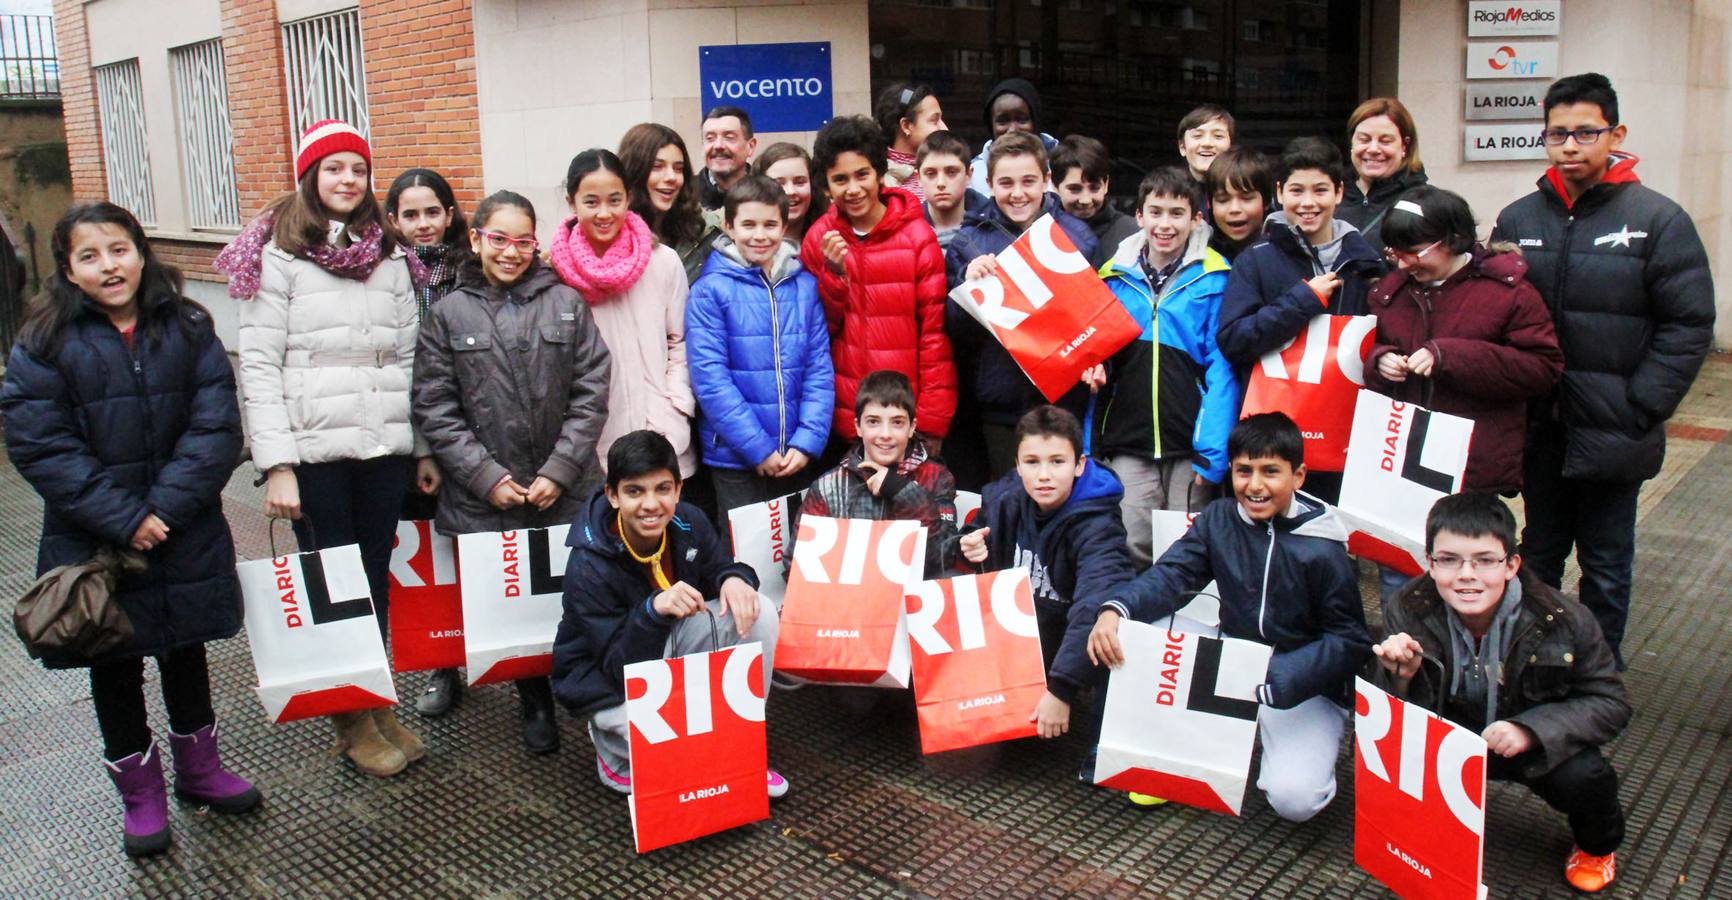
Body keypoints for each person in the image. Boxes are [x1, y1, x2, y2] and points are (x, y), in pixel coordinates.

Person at [1, 202, 261, 856]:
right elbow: (40, 444)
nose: (108, 266)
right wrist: (124, 518)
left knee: (186, 646)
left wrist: (163, 511)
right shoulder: (45, 341)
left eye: (118, 249)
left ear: (141, 251)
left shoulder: (189, 324)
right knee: (112, 659)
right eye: (88, 256)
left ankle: (200, 770)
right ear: (67, 268)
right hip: (95, 542)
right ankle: (139, 794)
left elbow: (216, 426)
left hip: (183, 527)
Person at [217, 119, 427, 778]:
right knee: (333, 584)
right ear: (311, 176)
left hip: (384, 446)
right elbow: (258, 364)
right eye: (333, 168)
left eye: (358, 170)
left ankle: (376, 696)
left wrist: (420, 447)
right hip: (314, 453)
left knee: (374, 581)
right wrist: (276, 462)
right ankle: (349, 719)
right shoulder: (275, 254)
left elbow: (413, 355)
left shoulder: (390, 254)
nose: (346, 180)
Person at [1490, 72, 1716, 667]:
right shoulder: (1517, 220)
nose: (1570, 145)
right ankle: (1528, 668)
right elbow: (1494, 312)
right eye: (1557, 133)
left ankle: (1597, 677)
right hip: (1540, 428)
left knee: (1607, 566)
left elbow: (1689, 325)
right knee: (1535, 556)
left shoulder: (1658, 220)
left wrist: (1644, 403)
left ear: (1615, 134)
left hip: (1615, 429)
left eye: (1585, 132)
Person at [1089, 412, 1371, 818]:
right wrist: (1117, 608)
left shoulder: (1325, 546)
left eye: (1271, 471)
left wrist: (1286, 675)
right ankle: (1168, 757)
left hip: (1298, 683)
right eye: (1244, 471)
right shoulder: (1220, 518)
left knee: (1295, 801)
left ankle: (1282, 746)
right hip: (1232, 658)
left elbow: (1350, 641)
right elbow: (1172, 575)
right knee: (1131, 627)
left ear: (1299, 476)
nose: (1255, 485)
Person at [412, 190, 611, 754]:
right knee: (516, 605)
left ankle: (586, 691)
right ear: (475, 240)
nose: (512, 252)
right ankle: (534, 701)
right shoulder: (449, 314)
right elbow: (435, 405)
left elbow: (591, 391)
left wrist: (561, 469)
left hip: (561, 490)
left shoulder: (568, 305)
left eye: (523, 240)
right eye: (498, 239)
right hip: (489, 497)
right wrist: (484, 477)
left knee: (576, 593)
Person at [1373, 492, 1630, 893]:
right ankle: (1417, 833)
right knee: (1384, 757)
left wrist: (1530, 730)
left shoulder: (1565, 618)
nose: (1466, 574)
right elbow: (1382, 714)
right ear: (1429, 562)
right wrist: (1399, 677)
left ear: (1512, 564)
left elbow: (1611, 703)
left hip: (1526, 741)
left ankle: (1597, 846)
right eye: (1449, 559)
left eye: (1485, 560)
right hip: (1449, 737)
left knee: (1585, 775)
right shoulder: (1407, 605)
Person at [550, 430, 789, 798]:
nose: (651, 504)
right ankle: (614, 753)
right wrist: (651, 610)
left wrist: (734, 578)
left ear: (678, 489)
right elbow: (617, 669)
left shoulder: (689, 519)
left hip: (668, 647)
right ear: (613, 495)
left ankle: (742, 745)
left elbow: (721, 566)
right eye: (634, 491)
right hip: (608, 679)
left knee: (759, 612)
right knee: (669, 754)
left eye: (662, 489)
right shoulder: (588, 564)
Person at [1365, 186, 1564, 603]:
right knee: (1401, 581)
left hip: (1473, 467)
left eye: (1414, 252)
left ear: (1452, 239)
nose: (1402, 263)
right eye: (1394, 252)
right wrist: (1380, 360)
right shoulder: (1391, 292)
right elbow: (1369, 346)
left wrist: (1449, 356)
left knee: (1469, 581)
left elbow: (1541, 368)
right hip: (1401, 465)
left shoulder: (1508, 292)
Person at [955, 406, 1133, 778]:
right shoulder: (1006, 498)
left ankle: (1107, 744)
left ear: (1079, 464)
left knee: (1113, 628)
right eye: (1033, 462)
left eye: (1057, 461)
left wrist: (1061, 689)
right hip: (1018, 634)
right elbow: (971, 536)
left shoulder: (1098, 523)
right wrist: (966, 547)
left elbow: (1091, 606)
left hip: (1065, 635)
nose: (1045, 475)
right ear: (1017, 465)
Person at [1216, 137, 1385, 503]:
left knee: (1333, 545)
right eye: (1296, 190)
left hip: (1346, 435)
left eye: (1320, 190)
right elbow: (1233, 340)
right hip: (1274, 437)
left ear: (1339, 193)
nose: (1308, 203)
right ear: (1279, 193)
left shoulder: (1366, 263)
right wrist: (1302, 301)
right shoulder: (1256, 260)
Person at [1090, 167, 1236, 568]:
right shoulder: (1113, 276)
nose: (1165, 224)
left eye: (1176, 213)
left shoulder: (1214, 277)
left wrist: (1214, 450)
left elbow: (1221, 369)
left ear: (1196, 219)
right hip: (1128, 437)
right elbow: (1094, 351)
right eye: (1155, 212)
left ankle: (1181, 628)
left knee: (1185, 543)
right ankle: (1132, 624)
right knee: (1131, 538)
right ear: (1139, 216)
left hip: (1188, 438)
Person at [799, 115, 956, 462]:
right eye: (840, 179)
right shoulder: (818, 240)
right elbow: (815, 333)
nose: (852, 189)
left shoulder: (917, 237)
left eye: (862, 175)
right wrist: (834, 277)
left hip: (904, 416)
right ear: (826, 186)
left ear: (880, 174)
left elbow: (934, 333)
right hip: (846, 416)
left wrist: (929, 420)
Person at [946, 131, 1099, 486]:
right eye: (1006, 182)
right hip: (999, 400)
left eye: (1029, 181)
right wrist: (968, 287)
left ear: (1047, 180)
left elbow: (1094, 318)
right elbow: (955, 331)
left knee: (1061, 493)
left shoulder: (1078, 238)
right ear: (988, 183)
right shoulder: (968, 242)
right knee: (1008, 496)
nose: (1017, 193)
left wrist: (1095, 361)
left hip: (1062, 398)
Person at [687, 175, 834, 523]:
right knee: (746, 557)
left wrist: (806, 442)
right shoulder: (710, 290)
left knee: (794, 557)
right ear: (728, 225)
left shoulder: (804, 286)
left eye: (770, 224)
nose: (759, 234)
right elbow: (711, 379)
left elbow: (818, 370)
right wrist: (758, 448)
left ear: (784, 226)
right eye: (748, 224)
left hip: (796, 455)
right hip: (737, 458)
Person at [549, 148, 699, 478]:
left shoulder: (663, 262)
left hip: (663, 440)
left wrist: (673, 413)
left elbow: (683, 342)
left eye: (614, 200)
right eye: (591, 202)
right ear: (571, 202)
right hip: (589, 450)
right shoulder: (555, 275)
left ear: (629, 198)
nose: (604, 213)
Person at [800, 370, 958, 578]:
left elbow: (945, 556)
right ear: (858, 426)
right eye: (873, 422)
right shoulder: (828, 486)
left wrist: (903, 492)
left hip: (913, 597)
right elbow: (797, 565)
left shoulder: (937, 477)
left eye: (897, 422)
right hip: (851, 599)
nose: (885, 434)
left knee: (952, 577)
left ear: (912, 427)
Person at [618, 123, 721, 285]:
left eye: (678, 168)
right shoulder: (608, 234)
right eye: (657, 167)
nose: (671, 177)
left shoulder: (705, 233)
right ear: (634, 171)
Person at [1338, 97, 1428, 251]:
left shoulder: (1425, 204)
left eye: (1385, 141)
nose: (1373, 149)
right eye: (1364, 139)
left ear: (1405, 145)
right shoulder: (1328, 198)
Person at [968, 78, 1060, 195]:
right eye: (1003, 121)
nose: (1012, 130)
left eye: (1022, 120)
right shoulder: (973, 174)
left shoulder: (1062, 165)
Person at [1051, 135, 1139, 252]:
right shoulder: (1041, 234)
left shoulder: (1132, 233)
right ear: (1055, 186)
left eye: (1094, 188)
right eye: (1075, 189)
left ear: (1106, 184)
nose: (1086, 200)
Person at [875, 83, 948, 201]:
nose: (945, 128)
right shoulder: (875, 179)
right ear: (906, 126)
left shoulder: (951, 170)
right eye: (934, 120)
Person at [1203, 146, 1274, 262]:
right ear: (1210, 204)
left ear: (1266, 202)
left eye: (1246, 198)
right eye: (1222, 200)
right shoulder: (1198, 254)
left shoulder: (1286, 251)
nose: (1234, 209)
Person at [754, 142, 828, 245]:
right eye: (779, 183)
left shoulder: (832, 235)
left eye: (800, 182)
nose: (790, 191)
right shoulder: (744, 246)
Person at [915, 130, 974, 251]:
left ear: (968, 175)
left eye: (951, 172)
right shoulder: (903, 235)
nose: (941, 183)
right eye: (931, 174)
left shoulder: (996, 228)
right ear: (919, 178)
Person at [697, 106, 756, 210]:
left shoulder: (768, 193)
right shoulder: (685, 194)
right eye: (710, 138)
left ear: (750, 146)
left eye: (729, 138)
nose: (718, 145)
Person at [1176, 104, 1234, 183]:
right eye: (1197, 136)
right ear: (1182, 147)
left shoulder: (1245, 189)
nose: (1207, 143)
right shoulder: (1166, 190)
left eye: (1218, 136)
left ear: (1231, 146)